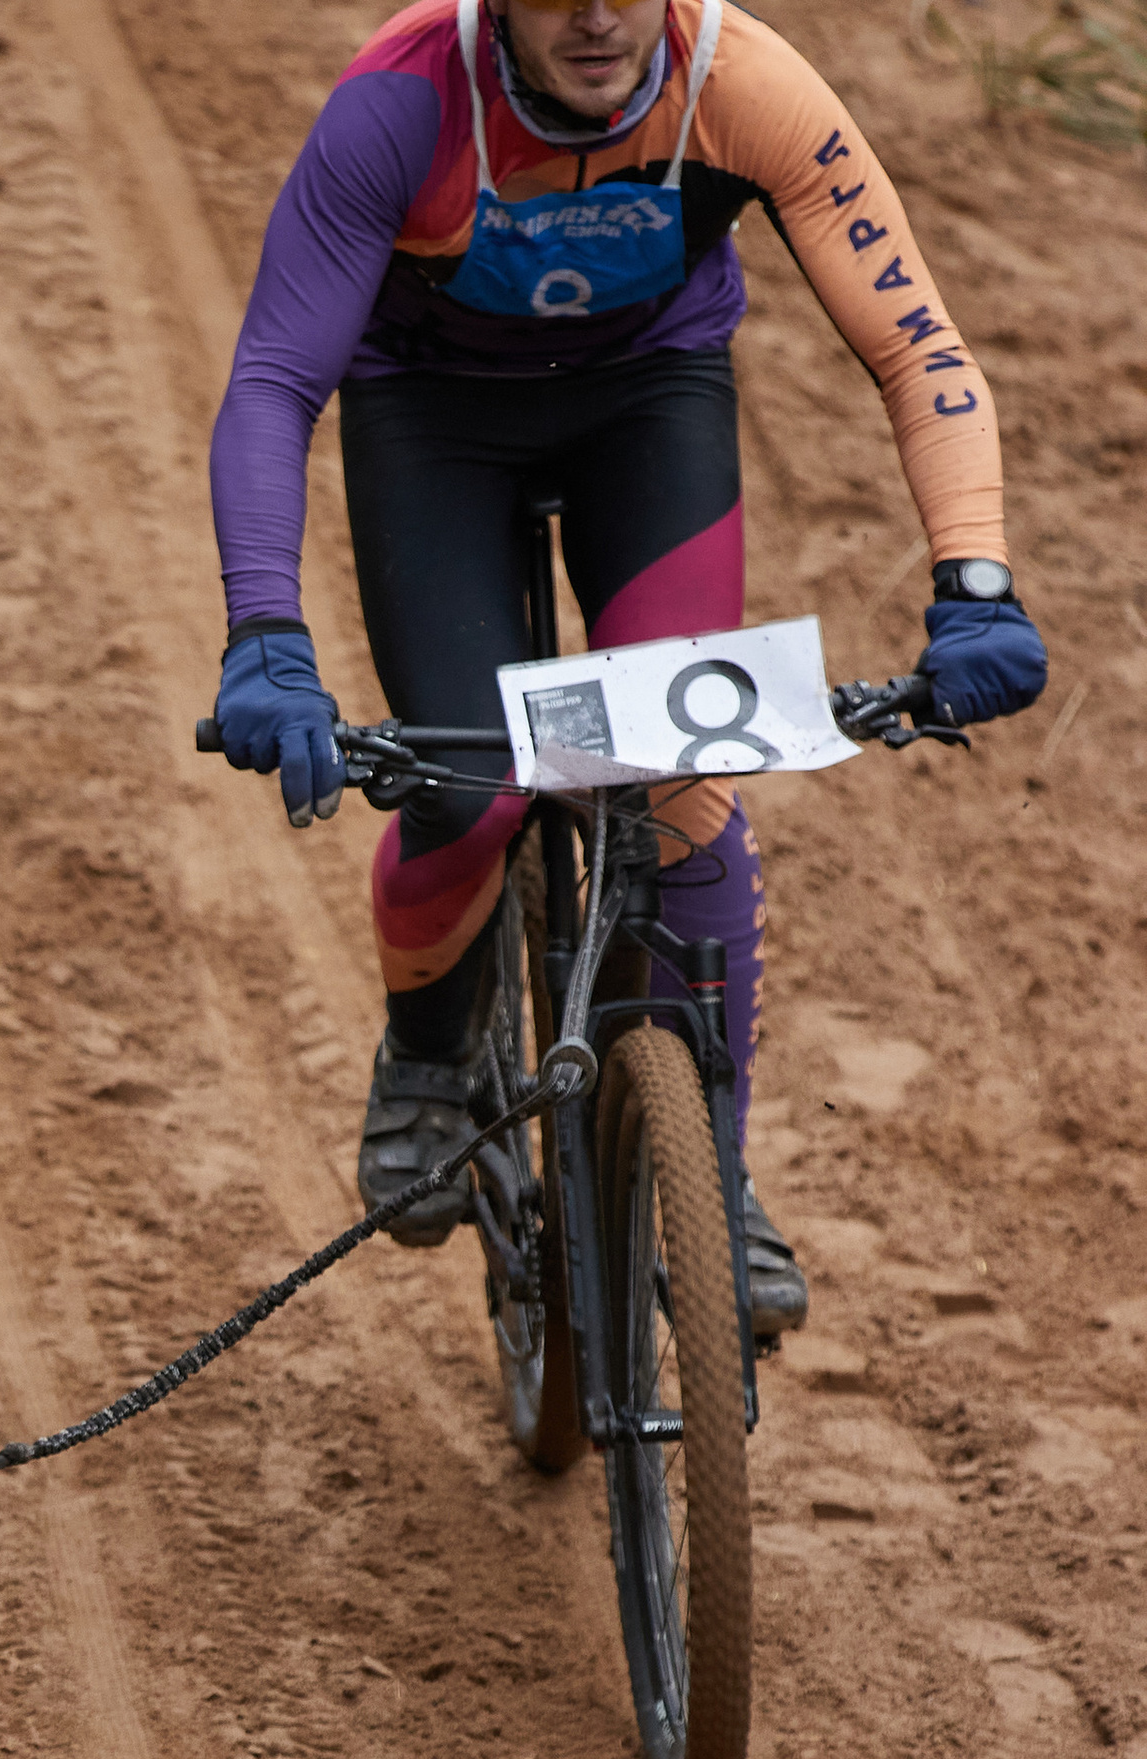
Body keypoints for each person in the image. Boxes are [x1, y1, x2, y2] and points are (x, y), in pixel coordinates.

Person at [207, 0, 1047, 1333]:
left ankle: (708, 1170)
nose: (597, 18)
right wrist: (266, 634)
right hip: (435, 421)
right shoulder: (401, 104)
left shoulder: (747, 82)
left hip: (646, 400)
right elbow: (271, 381)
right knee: (475, 788)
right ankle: (429, 1061)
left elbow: (916, 345)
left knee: (676, 771)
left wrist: (977, 582)